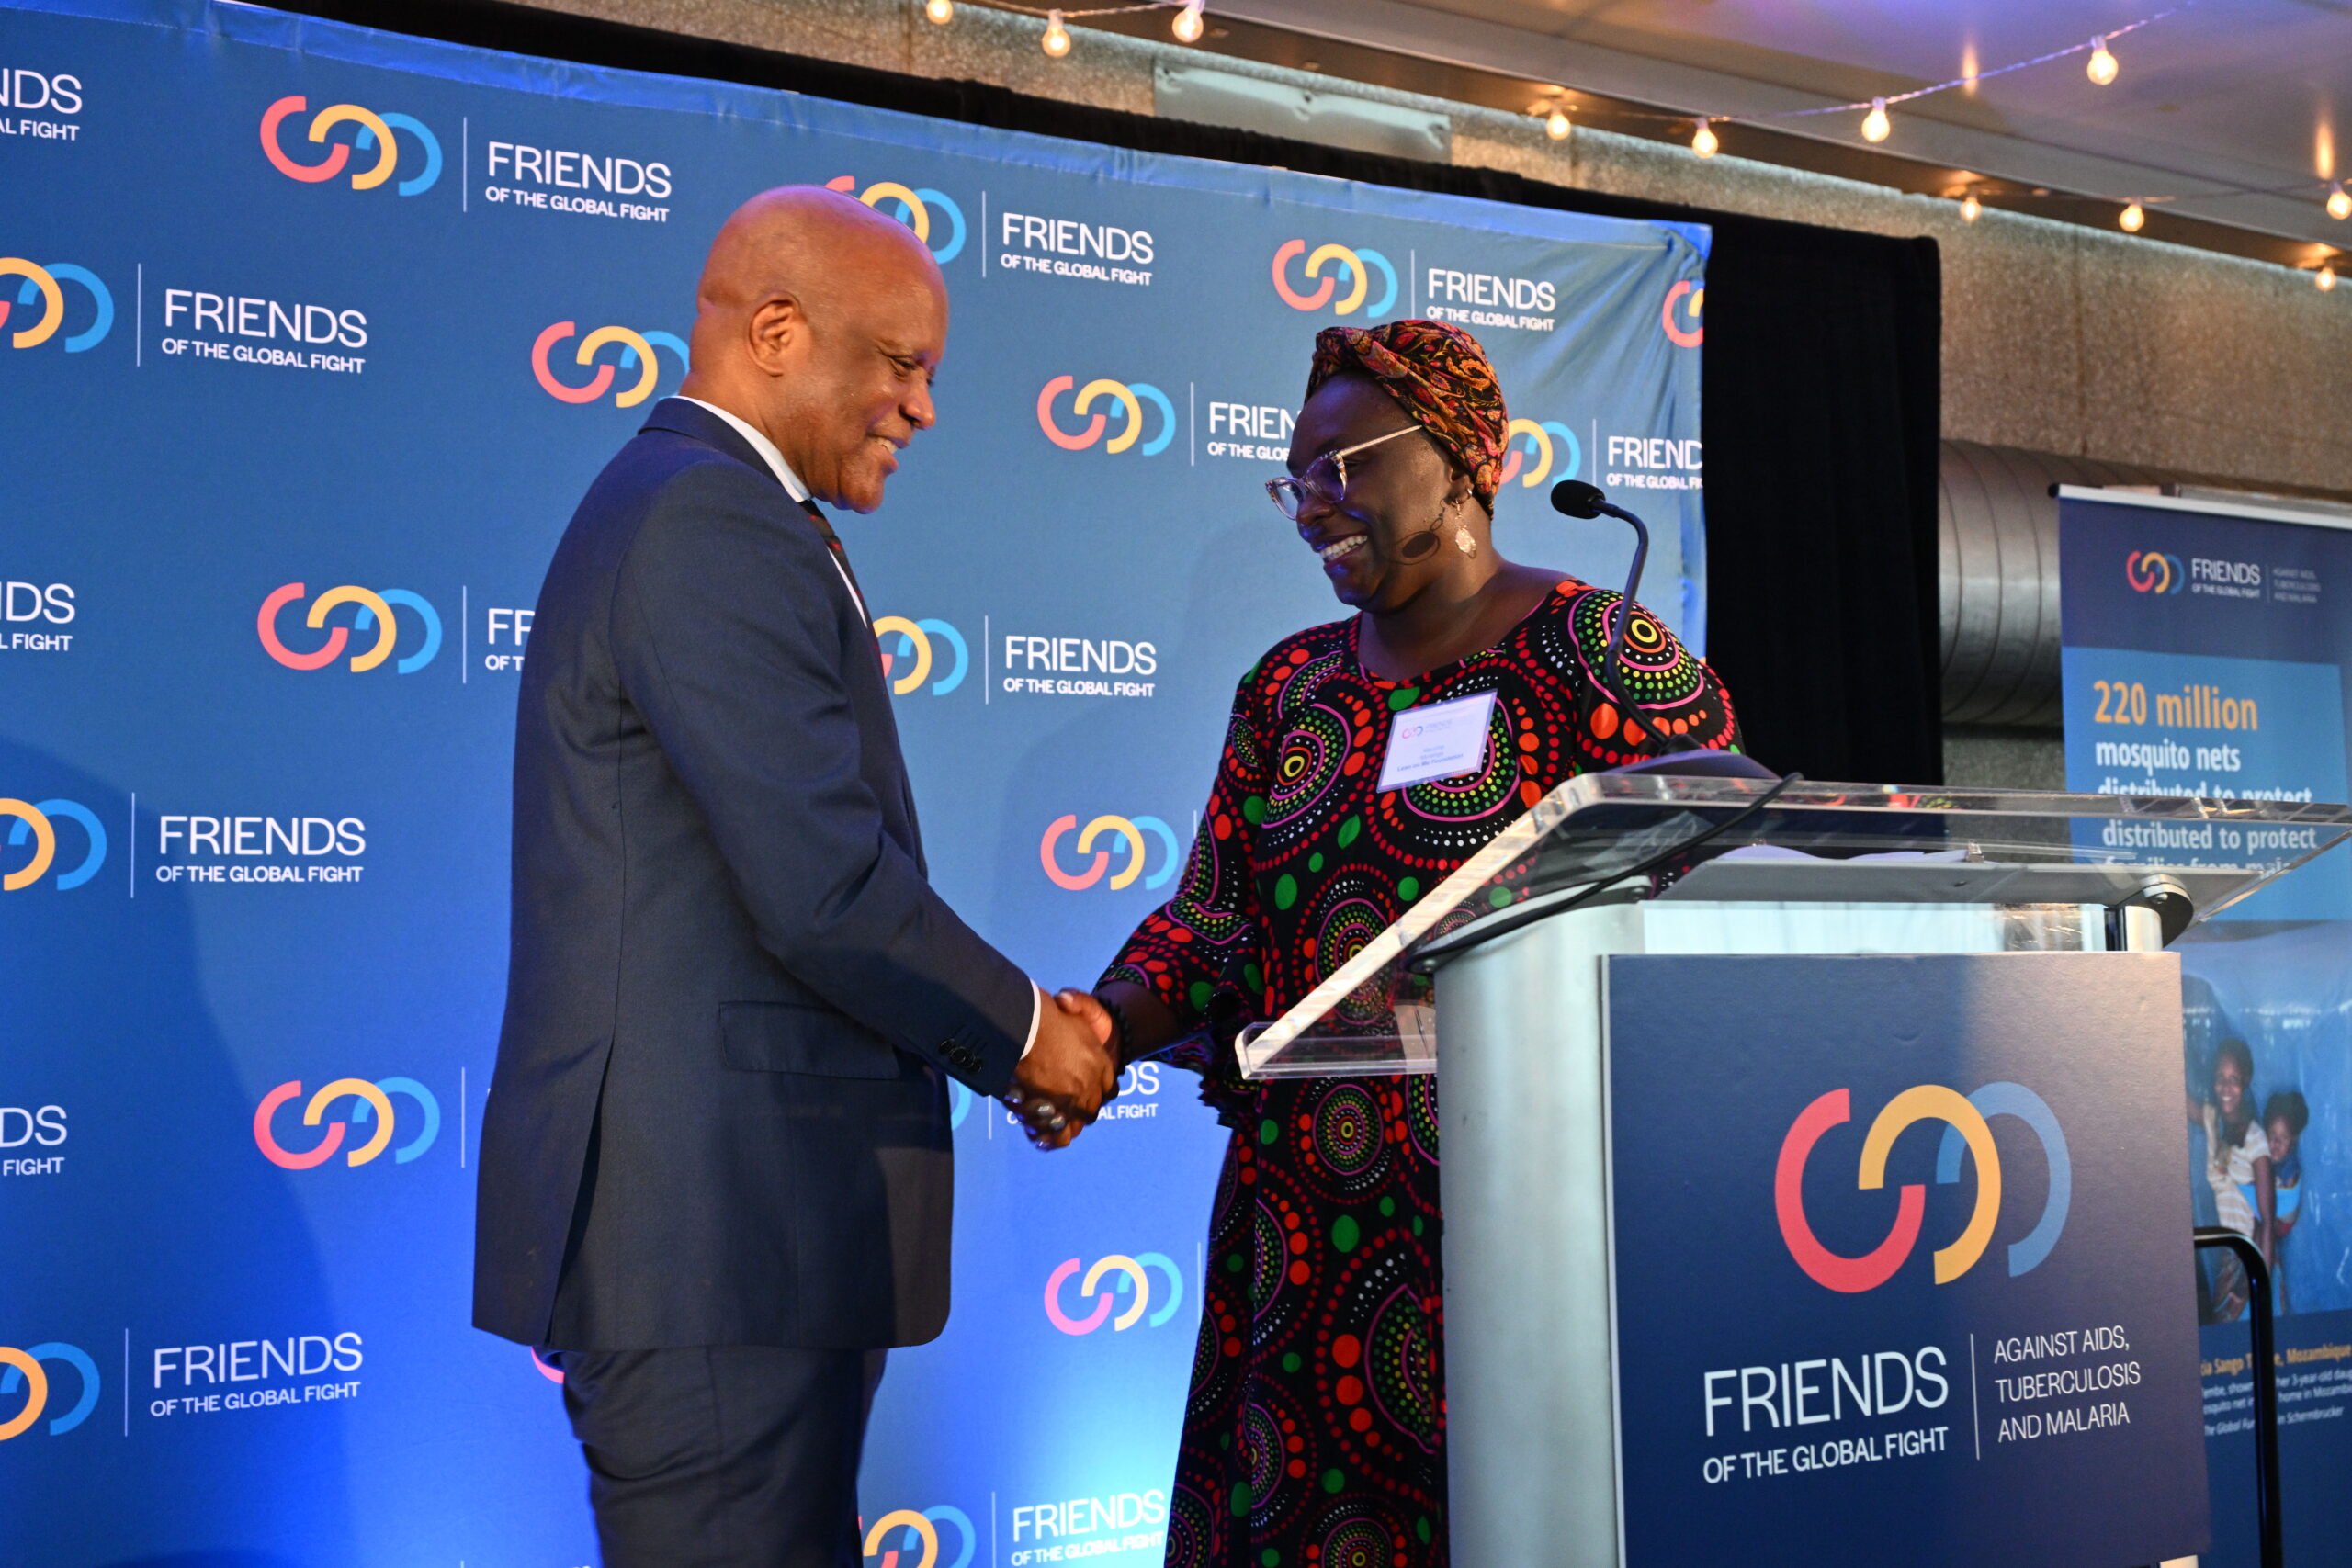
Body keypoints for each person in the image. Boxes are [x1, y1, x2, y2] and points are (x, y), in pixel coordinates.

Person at [471, 186, 1117, 1568]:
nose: (923, 406)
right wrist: (1025, 1035)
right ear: (775, 330)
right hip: (716, 1242)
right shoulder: (711, 518)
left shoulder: (701, 507)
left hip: (732, 1243)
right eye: (902, 362)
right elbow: (822, 882)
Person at [1086, 320, 1742, 1566]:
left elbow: (1723, 882)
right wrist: (1101, 1025)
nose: (1314, 502)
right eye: (1298, 475)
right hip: (1305, 1234)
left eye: (1347, 464)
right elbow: (1215, 917)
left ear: (1456, 456)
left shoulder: (1593, 648)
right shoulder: (1289, 688)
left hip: (1523, 1216)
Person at [2190, 1037, 2273, 1322]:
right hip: (2226, 1261)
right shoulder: (2213, 1122)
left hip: (2250, 1265)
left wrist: (2249, 1289)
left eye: (2234, 1079)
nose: (2226, 1088)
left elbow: (2267, 1223)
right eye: (2220, 1078)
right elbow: (2172, 1092)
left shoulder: (2256, 1140)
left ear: (2246, 1080)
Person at [2256, 1089, 2307, 1314]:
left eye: (2283, 1138)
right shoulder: (2265, 1156)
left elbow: (2278, 1205)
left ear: (2293, 1140)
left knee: (2261, 1233)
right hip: (2272, 1216)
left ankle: (2266, 1286)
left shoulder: (2289, 1170)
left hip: (2280, 1223)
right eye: (2271, 1135)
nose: (2275, 1144)